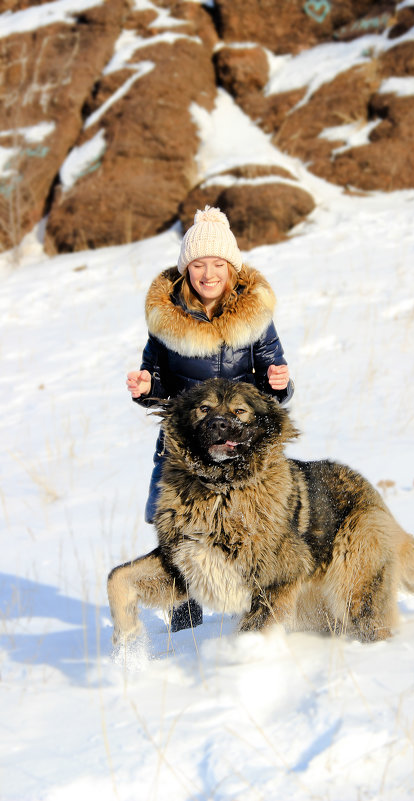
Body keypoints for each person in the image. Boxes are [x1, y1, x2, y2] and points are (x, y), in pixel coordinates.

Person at [126, 206, 293, 631]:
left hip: (243, 439)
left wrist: (279, 382)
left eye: (218, 263)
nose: (208, 273)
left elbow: (277, 385)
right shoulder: (165, 319)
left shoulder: (256, 315)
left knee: (258, 521)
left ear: (231, 268)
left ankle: (260, 608)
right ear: (186, 271)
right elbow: (159, 378)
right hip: (186, 442)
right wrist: (147, 388)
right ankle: (186, 622)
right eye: (198, 264)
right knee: (171, 522)